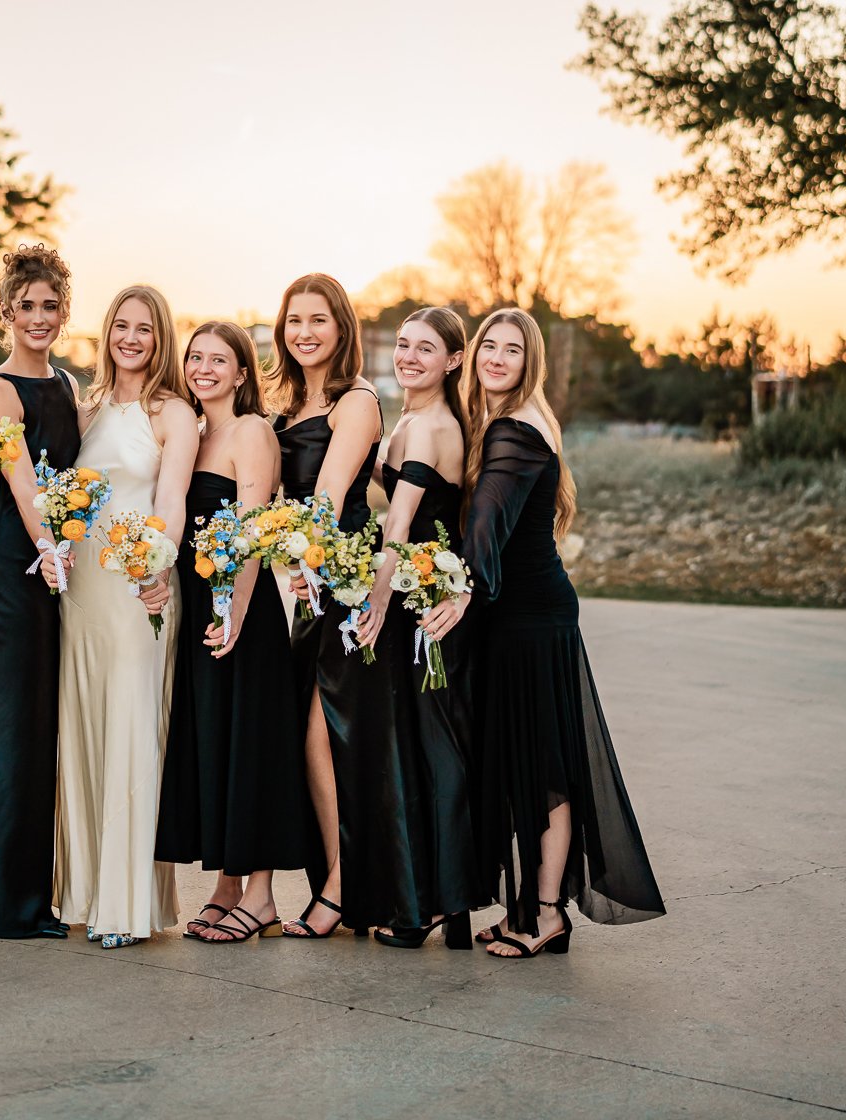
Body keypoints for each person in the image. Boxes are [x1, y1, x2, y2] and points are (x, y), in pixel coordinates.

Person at [425, 307, 665, 958]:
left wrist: (462, 586)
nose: (497, 358)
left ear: (531, 363)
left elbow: (488, 528)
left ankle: (547, 913)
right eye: (489, 347)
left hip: (532, 622)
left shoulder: (516, 431)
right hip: (517, 616)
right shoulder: (500, 425)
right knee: (519, 769)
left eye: (513, 350)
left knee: (543, 773)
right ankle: (530, 907)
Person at [155, 322, 319, 943]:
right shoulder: (196, 434)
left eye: (218, 360)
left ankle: (261, 896)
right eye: (195, 357)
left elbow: (250, 531)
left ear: (243, 373)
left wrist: (234, 613)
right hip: (201, 607)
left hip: (240, 614)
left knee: (251, 745)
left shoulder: (251, 432)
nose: (203, 368)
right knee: (214, 744)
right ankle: (226, 886)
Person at [54, 285, 197, 949]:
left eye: (144, 328)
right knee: (86, 734)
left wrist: (157, 567)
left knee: (137, 733)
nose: (131, 338)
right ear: (107, 332)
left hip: (140, 590)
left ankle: (129, 907)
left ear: (159, 337)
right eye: (121, 326)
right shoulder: (86, 408)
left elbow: (171, 503)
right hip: (82, 592)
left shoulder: (172, 412)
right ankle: (86, 895)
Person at [0, 245, 82, 939]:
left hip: (51, 571)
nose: (38, 317)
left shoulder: (65, 384)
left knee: (35, 732)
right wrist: (48, 550)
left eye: (50, 306)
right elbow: (24, 480)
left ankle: (20, 896)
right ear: (5, 311)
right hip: (10, 571)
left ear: (64, 312)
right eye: (25, 305)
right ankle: (5, 907)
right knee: (6, 730)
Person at [267, 274, 406, 940]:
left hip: (343, 581)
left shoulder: (357, 400)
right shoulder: (282, 402)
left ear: (342, 327)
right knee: (312, 738)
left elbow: (325, 494)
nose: (305, 332)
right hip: (304, 585)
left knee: (332, 735)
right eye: (295, 320)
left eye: (318, 320)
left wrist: (300, 558)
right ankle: (339, 879)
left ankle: (342, 889)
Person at [366, 307, 486, 951]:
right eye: (403, 345)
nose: (408, 357)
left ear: (453, 360)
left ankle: (427, 907)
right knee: (428, 754)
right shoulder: (412, 418)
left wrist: (378, 603)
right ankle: (445, 905)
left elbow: (400, 527)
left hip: (424, 616)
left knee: (429, 758)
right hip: (427, 596)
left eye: (425, 349)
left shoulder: (430, 426)